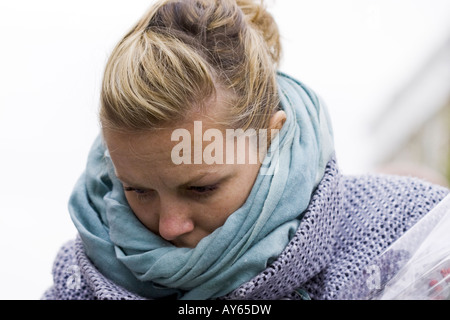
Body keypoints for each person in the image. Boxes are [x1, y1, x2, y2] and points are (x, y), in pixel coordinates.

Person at [43, 0, 449, 300]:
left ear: (270, 138)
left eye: (201, 188)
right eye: (137, 190)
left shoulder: (417, 238)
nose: (169, 226)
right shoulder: (77, 283)